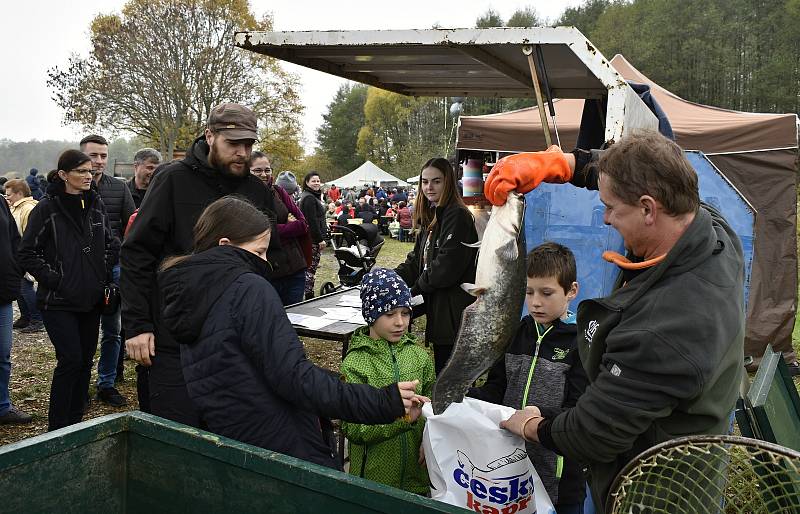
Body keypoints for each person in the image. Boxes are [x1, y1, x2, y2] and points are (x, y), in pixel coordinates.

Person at [493, 132, 745, 511]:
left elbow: (592, 433)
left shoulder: (667, 328)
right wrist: (569, 165)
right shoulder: (707, 226)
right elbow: (656, 169)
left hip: (653, 493)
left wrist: (533, 425)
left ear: (648, 209)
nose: (606, 218)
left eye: (611, 208)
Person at [157, 197, 427, 468]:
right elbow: (294, 378)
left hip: (239, 442)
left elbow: (253, 370)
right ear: (226, 245)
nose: (266, 262)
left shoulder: (194, 296)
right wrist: (382, 400)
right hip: (283, 443)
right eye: (259, 251)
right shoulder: (247, 288)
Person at [122, 103, 281, 427]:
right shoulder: (172, 179)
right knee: (173, 438)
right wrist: (138, 325)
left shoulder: (256, 191)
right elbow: (137, 253)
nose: (242, 152)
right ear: (209, 136)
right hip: (172, 338)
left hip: (233, 340)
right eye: (233, 144)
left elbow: (265, 259)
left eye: (248, 145)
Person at [469, 242, 587, 512]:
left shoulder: (581, 343)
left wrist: (536, 415)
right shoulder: (514, 332)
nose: (535, 302)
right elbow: (496, 390)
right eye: (528, 291)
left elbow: (579, 410)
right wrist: (462, 395)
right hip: (508, 473)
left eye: (547, 293)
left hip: (559, 480)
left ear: (571, 291)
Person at [18, 150, 119, 430]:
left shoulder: (95, 204)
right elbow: (27, 252)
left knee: (86, 361)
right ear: (63, 175)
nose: (88, 175)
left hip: (92, 298)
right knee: (70, 360)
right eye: (81, 171)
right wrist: (58, 280)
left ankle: (75, 425)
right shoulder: (46, 209)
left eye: (90, 171)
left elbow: (111, 243)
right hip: (58, 301)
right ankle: (57, 429)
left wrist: (103, 275)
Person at [341, 268, 435, 494]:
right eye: (390, 314)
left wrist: (431, 442)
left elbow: (435, 407)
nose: (400, 322)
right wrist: (402, 420)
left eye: (405, 313)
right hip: (374, 481)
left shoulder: (420, 356)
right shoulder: (356, 364)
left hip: (418, 477)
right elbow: (354, 429)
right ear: (371, 315)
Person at [395, 158, 478, 373]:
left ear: (448, 182)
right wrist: (390, 279)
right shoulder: (433, 216)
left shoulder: (457, 215)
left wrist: (412, 290)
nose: (429, 187)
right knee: (441, 368)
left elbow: (445, 268)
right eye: (424, 182)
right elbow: (416, 260)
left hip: (453, 313)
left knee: (449, 375)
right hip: (439, 309)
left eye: (436, 181)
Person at [80, 134, 136, 408]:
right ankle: (79, 382)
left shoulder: (119, 188)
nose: (99, 161)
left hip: (113, 268)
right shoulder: (73, 189)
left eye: (103, 155)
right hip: (81, 270)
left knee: (113, 329)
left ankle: (106, 382)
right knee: (83, 330)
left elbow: (132, 226)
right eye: (93, 155)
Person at [250, 151, 309, 306]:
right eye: (258, 170)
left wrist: (277, 229)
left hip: (295, 268)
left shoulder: (279, 192)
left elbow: (303, 224)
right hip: (269, 273)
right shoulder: (244, 197)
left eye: (267, 170)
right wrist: (289, 226)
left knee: (296, 321)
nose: (264, 174)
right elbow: (259, 233)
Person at [0, 181, 32, 424]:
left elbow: (13, 239)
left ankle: (2, 406)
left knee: (2, 354)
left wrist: (16, 269)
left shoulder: (1, 201)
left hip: (2, 294)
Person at [5, 179, 43, 333]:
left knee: (25, 287)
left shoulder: (28, 208)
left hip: (25, 255)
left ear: (19, 193)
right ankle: (26, 316)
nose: (7, 198)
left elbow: (31, 234)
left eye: (9, 195)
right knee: (19, 287)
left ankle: (37, 319)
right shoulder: (17, 207)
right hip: (17, 255)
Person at [299, 172, 327, 300]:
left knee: (310, 267)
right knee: (311, 268)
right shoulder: (309, 198)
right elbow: (311, 221)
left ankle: (307, 292)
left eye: (318, 181)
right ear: (307, 182)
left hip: (312, 238)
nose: (316, 183)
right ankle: (309, 295)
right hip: (312, 239)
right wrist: (319, 239)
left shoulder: (310, 196)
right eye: (313, 181)